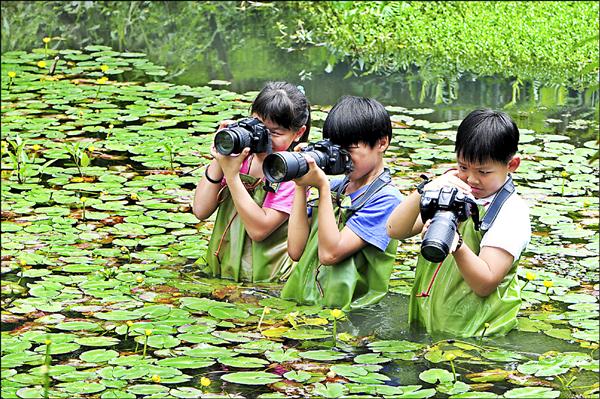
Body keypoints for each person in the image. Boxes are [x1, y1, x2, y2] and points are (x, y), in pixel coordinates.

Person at [386, 109, 531, 338]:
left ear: (512, 164)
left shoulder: (511, 212)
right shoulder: (451, 188)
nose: (472, 179)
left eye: (483, 171)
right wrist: (426, 190)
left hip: (477, 338)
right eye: (463, 167)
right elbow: (395, 230)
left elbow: (485, 282)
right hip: (429, 325)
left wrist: (455, 243)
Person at [280, 96, 403, 311]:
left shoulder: (387, 199)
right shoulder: (338, 186)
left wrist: (323, 189)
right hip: (309, 305)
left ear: (382, 143)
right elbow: (296, 250)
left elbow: (330, 254)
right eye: (336, 149)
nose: (342, 158)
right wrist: (300, 186)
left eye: (351, 150)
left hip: (353, 314)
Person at [192, 81, 310, 282]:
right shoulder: (241, 158)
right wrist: (221, 155)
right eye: (258, 126)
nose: (263, 136)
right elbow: (201, 210)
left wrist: (232, 176)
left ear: (298, 133)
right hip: (221, 271)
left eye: (274, 133)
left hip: (265, 280)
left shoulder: (293, 175)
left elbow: (259, 230)